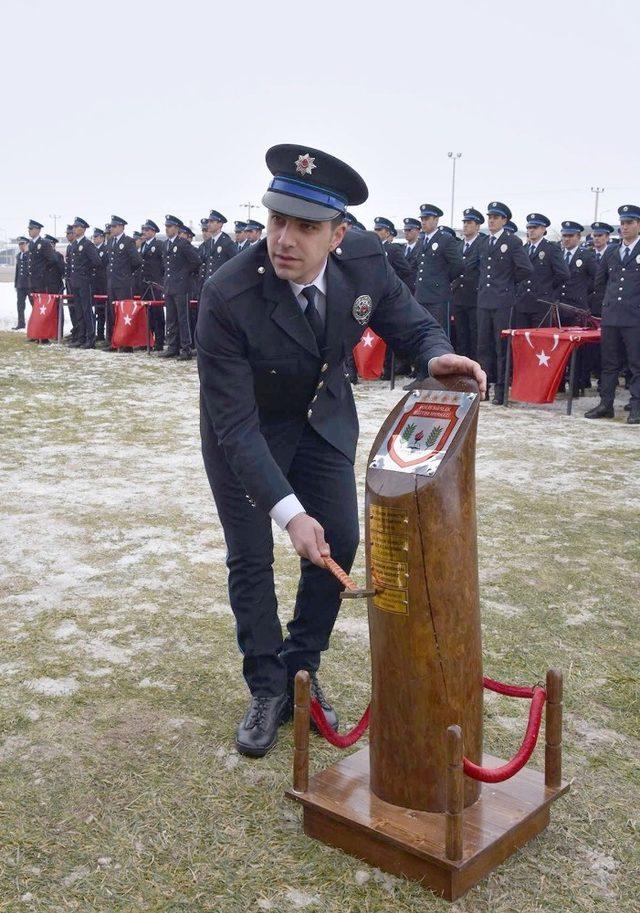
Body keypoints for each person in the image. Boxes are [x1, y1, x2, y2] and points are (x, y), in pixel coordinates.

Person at [196, 143, 486, 758]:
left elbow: (409, 319)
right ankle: (267, 687)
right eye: (278, 220)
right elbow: (235, 425)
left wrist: (435, 352)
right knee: (251, 555)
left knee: (342, 540)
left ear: (337, 235)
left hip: (321, 420)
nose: (284, 239)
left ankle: (301, 669)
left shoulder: (365, 261)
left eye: (306, 227)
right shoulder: (228, 294)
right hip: (245, 433)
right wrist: (287, 511)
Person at [585, 204, 640, 424]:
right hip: (612, 317)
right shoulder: (611, 251)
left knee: (636, 364)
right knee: (609, 364)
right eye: (623, 223)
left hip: (635, 317)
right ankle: (605, 404)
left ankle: (636, 407)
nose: (625, 227)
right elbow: (600, 283)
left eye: (630, 223)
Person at [477, 202, 533, 404]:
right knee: (483, 346)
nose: (491, 220)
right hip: (484, 300)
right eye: (489, 216)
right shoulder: (484, 242)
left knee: (501, 347)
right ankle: (484, 388)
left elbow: (526, 269)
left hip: (503, 301)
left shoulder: (512, 242)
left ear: (504, 220)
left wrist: (507, 284)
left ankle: (501, 390)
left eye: (495, 217)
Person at [413, 203, 463, 335]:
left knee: (439, 333)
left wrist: (443, 280)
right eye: (422, 219)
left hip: (438, 296)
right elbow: (419, 266)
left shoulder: (445, 239)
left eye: (427, 219)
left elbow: (458, 265)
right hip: (421, 295)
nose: (423, 222)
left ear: (436, 220)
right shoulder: (422, 241)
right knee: (422, 332)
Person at [514, 213, 570, 328]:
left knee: (539, 341)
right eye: (529, 227)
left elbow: (563, 274)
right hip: (522, 302)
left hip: (541, 302)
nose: (531, 230)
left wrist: (547, 287)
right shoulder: (523, 249)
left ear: (543, 229)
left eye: (535, 227)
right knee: (522, 339)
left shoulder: (551, 248)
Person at [159, 214, 201, 360]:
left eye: (169, 227)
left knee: (183, 318)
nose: (167, 229)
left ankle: (186, 348)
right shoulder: (165, 244)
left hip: (182, 286)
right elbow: (165, 265)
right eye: (166, 227)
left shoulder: (182, 243)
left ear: (176, 228)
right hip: (169, 286)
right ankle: (172, 347)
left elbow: (196, 260)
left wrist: (184, 273)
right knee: (171, 318)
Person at [451, 207, 486, 360]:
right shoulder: (458, 246)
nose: (465, 225)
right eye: (464, 222)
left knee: (474, 335)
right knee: (461, 335)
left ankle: (474, 367)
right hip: (458, 297)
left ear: (477, 226)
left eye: (469, 222)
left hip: (475, 296)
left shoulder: (483, 243)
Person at [104, 216, 141, 349]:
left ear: (121, 227)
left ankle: (126, 343)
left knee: (124, 314)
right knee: (112, 313)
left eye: (114, 226)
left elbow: (136, 261)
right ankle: (114, 341)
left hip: (124, 283)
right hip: (112, 283)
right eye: (111, 227)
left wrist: (126, 273)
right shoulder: (110, 242)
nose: (112, 229)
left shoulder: (128, 241)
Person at [67, 217, 102, 348]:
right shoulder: (74, 245)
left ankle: (90, 339)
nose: (74, 229)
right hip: (75, 282)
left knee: (87, 310)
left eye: (77, 227)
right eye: (73, 227)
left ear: (83, 229)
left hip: (85, 282)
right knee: (79, 310)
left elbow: (97, 262)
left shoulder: (87, 244)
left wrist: (86, 273)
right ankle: (81, 337)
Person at [140, 219, 165, 351]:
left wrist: (160, 280)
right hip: (145, 284)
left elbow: (163, 264)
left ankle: (159, 341)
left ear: (154, 231)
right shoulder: (144, 245)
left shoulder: (159, 244)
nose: (145, 232)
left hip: (155, 284)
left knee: (157, 313)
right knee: (146, 313)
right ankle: (147, 340)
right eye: (144, 230)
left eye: (147, 230)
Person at [91, 228, 109, 342]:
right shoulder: (92, 249)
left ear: (102, 238)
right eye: (93, 237)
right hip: (94, 283)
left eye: (96, 237)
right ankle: (98, 333)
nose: (94, 239)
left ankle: (102, 333)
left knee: (103, 310)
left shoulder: (106, 249)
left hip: (103, 284)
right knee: (96, 309)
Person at [12, 237, 30, 330]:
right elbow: (17, 271)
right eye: (19, 244)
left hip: (30, 285)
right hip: (20, 285)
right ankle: (21, 323)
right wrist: (16, 284)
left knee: (34, 305)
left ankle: (34, 324)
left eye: (23, 243)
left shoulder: (30, 255)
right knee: (20, 305)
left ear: (27, 244)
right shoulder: (18, 255)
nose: (21, 246)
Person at [401, 217, 422, 294]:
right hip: (402, 289)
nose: (406, 233)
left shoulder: (422, 248)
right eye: (405, 230)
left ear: (417, 231)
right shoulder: (401, 248)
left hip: (415, 289)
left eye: (409, 230)